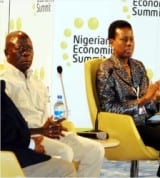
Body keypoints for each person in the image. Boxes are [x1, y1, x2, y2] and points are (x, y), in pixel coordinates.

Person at [96, 19, 160, 177]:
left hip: (145, 121)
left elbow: (149, 108)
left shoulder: (138, 66)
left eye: (132, 39)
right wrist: (143, 100)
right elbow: (108, 108)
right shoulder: (106, 69)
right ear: (111, 42)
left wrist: (156, 97)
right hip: (125, 126)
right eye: (124, 40)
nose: (129, 44)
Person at [1, 30, 105, 177]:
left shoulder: (36, 82)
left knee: (95, 150)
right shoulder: (4, 83)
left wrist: (53, 126)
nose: (26, 54)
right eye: (20, 49)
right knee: (65, 152)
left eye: (29, 49)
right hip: (29, 138)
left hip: (47, 134)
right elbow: (8, 128)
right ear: (7, 53)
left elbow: (44, 117)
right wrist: (40, 131)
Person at [1, 80, 77, 177]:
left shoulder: (36, 81)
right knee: (66, 168)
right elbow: (7, 131)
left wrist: (40, 131)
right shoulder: (7, 82)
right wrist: (30, 144)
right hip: (10, 160)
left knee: (93, 150)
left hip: (24, 142)